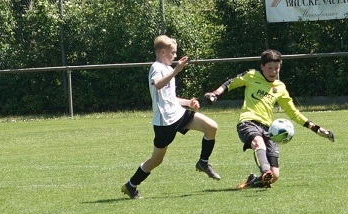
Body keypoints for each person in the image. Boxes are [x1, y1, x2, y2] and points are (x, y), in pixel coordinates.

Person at [204, 48, 334, 189]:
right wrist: (215, 94)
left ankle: (254, 181)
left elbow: (293, 112)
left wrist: (316, 129)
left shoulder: (280, 87)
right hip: (248, 121)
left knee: (275, 175)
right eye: (270, 68)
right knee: (258, 143)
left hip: (269, 129)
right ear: (262, 66)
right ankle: (265, 171)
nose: (273, 72)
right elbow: (231, 83)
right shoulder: (252, 75)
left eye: (276, 68)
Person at [122, 35, 221, 199]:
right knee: (156, 160)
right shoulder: (156, 67)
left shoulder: (168, 69)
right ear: (162, 52)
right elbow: (158, 84)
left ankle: (203, 162)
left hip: (178, 114)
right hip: (165, 123)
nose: (175, 56)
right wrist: (176, 71)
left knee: (211, 127)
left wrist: (188, 103)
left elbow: (169, 98)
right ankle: (131, 186)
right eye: (172, 52)